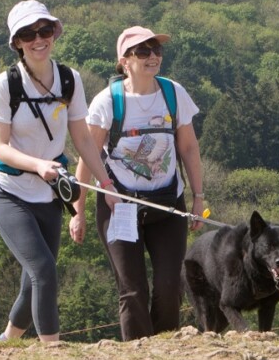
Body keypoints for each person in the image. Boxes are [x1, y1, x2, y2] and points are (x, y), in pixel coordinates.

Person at [0, 0, 116, 343]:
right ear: (17, 43)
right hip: (8, 191)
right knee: (43, 269)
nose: (38, 39)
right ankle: (54, 353)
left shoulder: (69, 80)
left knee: (36, 278)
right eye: (28, 34)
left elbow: (83, 139)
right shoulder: (5, 85)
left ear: (54, 33)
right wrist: (39, 164)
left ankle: (7, 343)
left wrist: (105, 182)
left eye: (44, 31)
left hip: (49, 193)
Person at [70, 26, 205, 340]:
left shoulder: (173, 94)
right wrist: (79, 212)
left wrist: (198, 197)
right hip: (120, 207)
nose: (153, 56)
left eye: (156, 50)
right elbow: (87, 156)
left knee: (170, 286)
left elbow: (188, 147)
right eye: (143, 51)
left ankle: (165, 351)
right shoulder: (108, 102)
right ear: (124, 60)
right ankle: (138, 358)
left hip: (168, 204)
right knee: (132, 290)